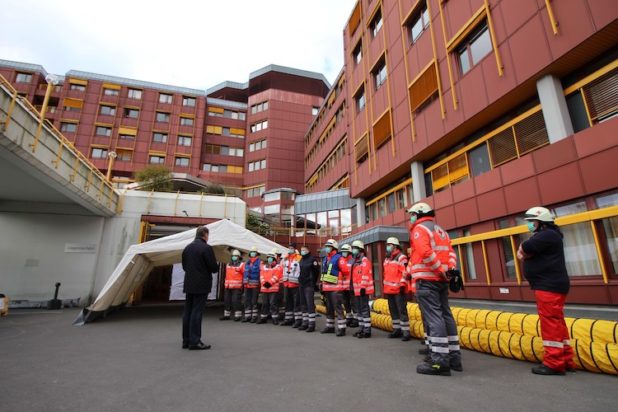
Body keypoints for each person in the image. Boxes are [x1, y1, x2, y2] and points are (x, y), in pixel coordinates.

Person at [518, 206, 574, 375]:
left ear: (540, 221)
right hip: (552, 285)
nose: (529, 225)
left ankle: (554, 362)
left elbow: (524, 249)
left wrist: (524, 250)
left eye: (531, 222)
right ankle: (566, 359)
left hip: (548, 286)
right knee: (557, 323)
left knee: (550, 324)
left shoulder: (546, 235)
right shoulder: (550, 235)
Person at [408, 202, 461, 376]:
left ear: (419, 213)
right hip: (441, 281)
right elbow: (451, 253)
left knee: (434, 318)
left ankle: (439, 361)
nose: (411, 218)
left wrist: (439, 270)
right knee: (446, 315)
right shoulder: (441, 231)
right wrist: (448, 271)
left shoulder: (420, 229)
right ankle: (454, 357)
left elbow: (425, 252)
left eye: (412, 214)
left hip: (428, 280)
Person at [181, 225, 219, 350]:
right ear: (205, 235)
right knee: (197, 312)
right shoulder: (206, 248)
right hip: (201, 284)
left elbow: (184, 266)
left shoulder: (187, 248)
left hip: (189, 283)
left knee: (188, 311)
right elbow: (213, 267)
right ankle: (195, 341)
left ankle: (186, 340)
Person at [383, 237, 411, 341]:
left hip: (399, 289)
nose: (387, 247)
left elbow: (405, 273)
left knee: (401, 310)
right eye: (387, 245)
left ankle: (406, 332)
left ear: (395, 246)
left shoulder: (401, 257)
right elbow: (386, 275)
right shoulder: (387, 259)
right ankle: (396, 330)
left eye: (389, 245)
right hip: (389, 290)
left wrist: (403, 286)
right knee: (393, 310)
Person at [319, 239, 347, 336]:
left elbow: (346, 271)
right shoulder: (326, 259)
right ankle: (330, 326)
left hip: (336, 288)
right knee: (329, 308)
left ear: (334, 247)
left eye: (329, 246)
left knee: (338, 308)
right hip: (327, 288)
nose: (327, 248)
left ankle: (342, 328)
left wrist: (338, 276)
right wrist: (321, 284)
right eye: (326, 246)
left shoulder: (339, 258)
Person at [351, 240, 374, 338]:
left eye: (354, 248)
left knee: (364, 310)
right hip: (357, 291)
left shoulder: (364, 261)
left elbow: (365, 275)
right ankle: (361, 329)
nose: (353, 250)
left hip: (363, 290)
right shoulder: (356, 262)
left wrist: (363, 287)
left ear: (360, 250)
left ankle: (367, 330)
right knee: (359, 310)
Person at [298, 245, 320, 332]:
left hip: (309, 285)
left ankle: (311, 324)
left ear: (308, 250)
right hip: (302, 284)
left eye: (304, 250)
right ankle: (305, 323)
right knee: (303, 304)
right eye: (301, 250)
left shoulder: (312, 259)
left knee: (310, 304)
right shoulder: (301, 259)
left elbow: (316, 271)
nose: (302, 251)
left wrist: (312, 281)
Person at [258, 250, 282, 325]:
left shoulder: (278, 267)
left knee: (273, 304)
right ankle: (263, 317)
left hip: (273, 288)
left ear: (274, 259)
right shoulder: (264, 267)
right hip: (264, 288)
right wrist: (264, 283)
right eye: (268, 258)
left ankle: (275, 318)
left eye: (271, 258)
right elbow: (261, 275)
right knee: (264, 303)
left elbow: (277, 276)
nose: (269, 259)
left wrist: (269, 283)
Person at [281, 243, 302, 327]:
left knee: (296, 303)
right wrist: (285, 257)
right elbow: (281, 265)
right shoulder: (286, 258)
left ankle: (297, 320)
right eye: (289, 248)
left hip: (295, 284)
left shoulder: (299, 257)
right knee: (287, 302)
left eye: (292, 248)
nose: (290, 249)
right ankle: (288, 319)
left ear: (295, 249)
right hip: (286, 283)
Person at [221, 249, 244, 321]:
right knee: (227, 300)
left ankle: (238, 316)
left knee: (236, 301)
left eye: (236, 256)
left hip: (237, 286)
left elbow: (244, 274)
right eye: (233, 256)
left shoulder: (242, 264)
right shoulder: (228, 264)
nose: (234, 257)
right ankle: (226, 315)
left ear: (239, 257)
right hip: (228, 286)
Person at [339, 244, 358, 328]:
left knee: (354, 303)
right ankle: (349, 317)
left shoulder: (353, 260)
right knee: (346, 303)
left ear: (349, 252)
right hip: (343, 286)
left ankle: (356, 319)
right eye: (342, 251)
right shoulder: (340, 260)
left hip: (352, 286)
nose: (344, 253)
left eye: (345, 251)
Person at [243, 246, 261, 323]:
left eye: (254, 252)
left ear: (256, 253)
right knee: (247, 301)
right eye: (251, 252)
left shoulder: (259, 262)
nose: (252, 253)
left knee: (254, 301)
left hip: (255, 285)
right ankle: (247, 316)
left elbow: (261, 273)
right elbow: (245, 273)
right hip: (247, 285)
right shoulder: (247, 262)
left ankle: (254, 317)